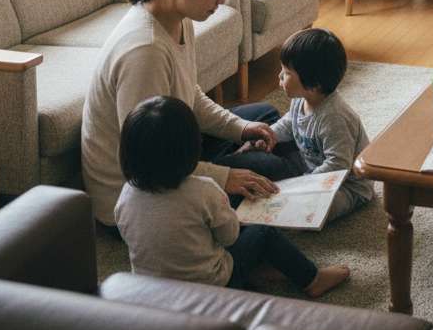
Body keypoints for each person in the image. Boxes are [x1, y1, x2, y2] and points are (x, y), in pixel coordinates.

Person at [81, 0, 282, 228]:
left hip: (171, 149)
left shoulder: (177, 17)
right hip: (139, 191)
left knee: (264, 118)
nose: (223, 1)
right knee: (269, 170)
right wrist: (225, 177)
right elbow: (148, 159)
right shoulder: (145, 52)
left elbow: (189, 96)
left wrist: (240, 128)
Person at [115, 96, 349, 296]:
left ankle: (258, 270)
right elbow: (230, 236)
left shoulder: (125, 194)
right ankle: (312, 279)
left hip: (152, 290)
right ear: (191, 151)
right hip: (212, 286)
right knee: (261, 231)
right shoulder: (204, 190)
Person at [226, 27, 373, 223]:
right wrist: (269, 136)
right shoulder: (301, 99)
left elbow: (338, 166)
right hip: (309, 165)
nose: (279, 76)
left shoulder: (334, 118)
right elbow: (288, 124)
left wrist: (302, 185)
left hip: (346, 186)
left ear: (314, 84)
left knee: (307, 211)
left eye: (286, 73)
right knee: (263, 154)